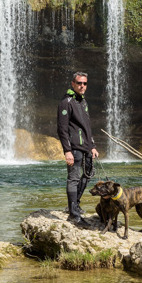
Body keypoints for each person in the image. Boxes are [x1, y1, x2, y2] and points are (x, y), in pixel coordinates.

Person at [57, 71, 99, 225]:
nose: (82, 86)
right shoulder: (66, 102)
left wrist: (92, 145)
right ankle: (74, 215)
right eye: (79, 83)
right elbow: (62, 129)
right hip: (74, 147)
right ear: (73, 84)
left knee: (89, 174)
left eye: (85, 83)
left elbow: (87, 126)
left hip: (86, 147)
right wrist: (67, 151)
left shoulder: (83, 101)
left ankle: (76, 204)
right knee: (73, 178)